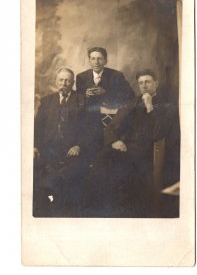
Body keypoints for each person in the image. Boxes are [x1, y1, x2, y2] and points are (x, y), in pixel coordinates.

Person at [85, 70, 180, 217]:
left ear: (156, 83)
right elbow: (111, 127)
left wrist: (149, 107)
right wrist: (115, 141)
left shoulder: (168, 107)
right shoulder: (132, 103)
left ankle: (123, 209)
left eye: (148, 82)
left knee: (123, 173)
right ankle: (98, 208)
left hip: (146, 151)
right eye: (141, 83)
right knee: (101, 160)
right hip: (124, 146)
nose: (144, 86)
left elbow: (158, 134)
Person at [33, 67, 88, 217]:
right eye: (61, 80)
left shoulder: (82, 100)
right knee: (37, 173)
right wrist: (35, 146)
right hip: (48, 149)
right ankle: (44, 210)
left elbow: (89, 129)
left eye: (67, 81)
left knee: (69, 178)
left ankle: (65, 212)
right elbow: (37, 127)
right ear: (56, 82)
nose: (64, 83)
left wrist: (79, 145)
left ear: (73, 83)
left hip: (71, 149)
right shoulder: (46, 101)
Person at [76, 47, 135, 160]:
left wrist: (106, 93)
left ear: (105, 60)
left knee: (110, 156)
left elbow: (130, 95)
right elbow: (78, 100)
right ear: (89, 60)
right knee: (90, 155)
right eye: (93, 59)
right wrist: (85, 95)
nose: (96, 62)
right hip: (90, 123)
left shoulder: (116, 75)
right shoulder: (81, 77)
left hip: (111, 122)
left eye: (99, 59)